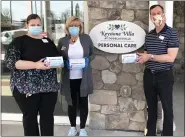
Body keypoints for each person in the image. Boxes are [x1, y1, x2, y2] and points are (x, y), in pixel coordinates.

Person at [5, 14, 61, 136]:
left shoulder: (47, 41)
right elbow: (12, 63)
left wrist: (59, 63)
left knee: (47, 118)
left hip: (49, 88)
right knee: (30, 119)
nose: (36, 27)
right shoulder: (19, 42)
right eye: (33, 25)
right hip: (26, 88)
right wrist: (36, 65)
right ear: (27, 25)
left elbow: (56, 57)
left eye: (38, 25)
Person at [137, 4, 179, 136]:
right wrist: (140, 58)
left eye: (158, 12)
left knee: (167, 108)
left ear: (164, 14)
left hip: (164, 76)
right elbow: (146, 54)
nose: (156, 16)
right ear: (151, 17)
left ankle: (166, 134)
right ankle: (150, 134)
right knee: (151, 108)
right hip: (149, 75)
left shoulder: (171, 33)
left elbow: (171, 57)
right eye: (153, 14)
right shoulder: (148, 35)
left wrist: (150, 56)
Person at [57, 16, 94, 136]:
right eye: (72, 26)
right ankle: (73, 128)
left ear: (80, 27)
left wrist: (88, 60)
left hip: (83, 78)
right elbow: (58, 58)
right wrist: (63, 63)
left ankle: (83, 128)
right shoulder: (62, 41)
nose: (74, 28)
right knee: (71, 103)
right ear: (67, 28)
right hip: (69, 79)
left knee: (83, 102)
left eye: (77, 26)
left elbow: (92, 54)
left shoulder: (86, 39)